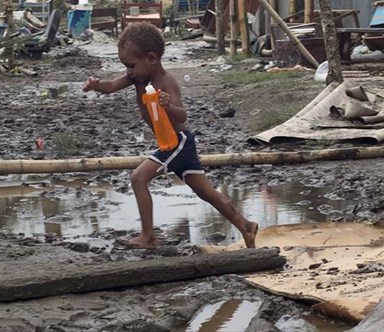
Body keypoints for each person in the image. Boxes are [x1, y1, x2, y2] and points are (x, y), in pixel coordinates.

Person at [83, 22, 259, 249]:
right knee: (206, 192)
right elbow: (110, 86)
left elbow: (182, 116)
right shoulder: (137, 77)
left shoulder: (165, 82)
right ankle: (245, 225)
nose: (128, 71)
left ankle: (148, 236)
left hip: (177, 142)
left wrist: (167, 105)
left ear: (152, 59)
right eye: (125, 66)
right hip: (175, 144)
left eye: (131, 65)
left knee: (138, 178)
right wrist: (96, 85)